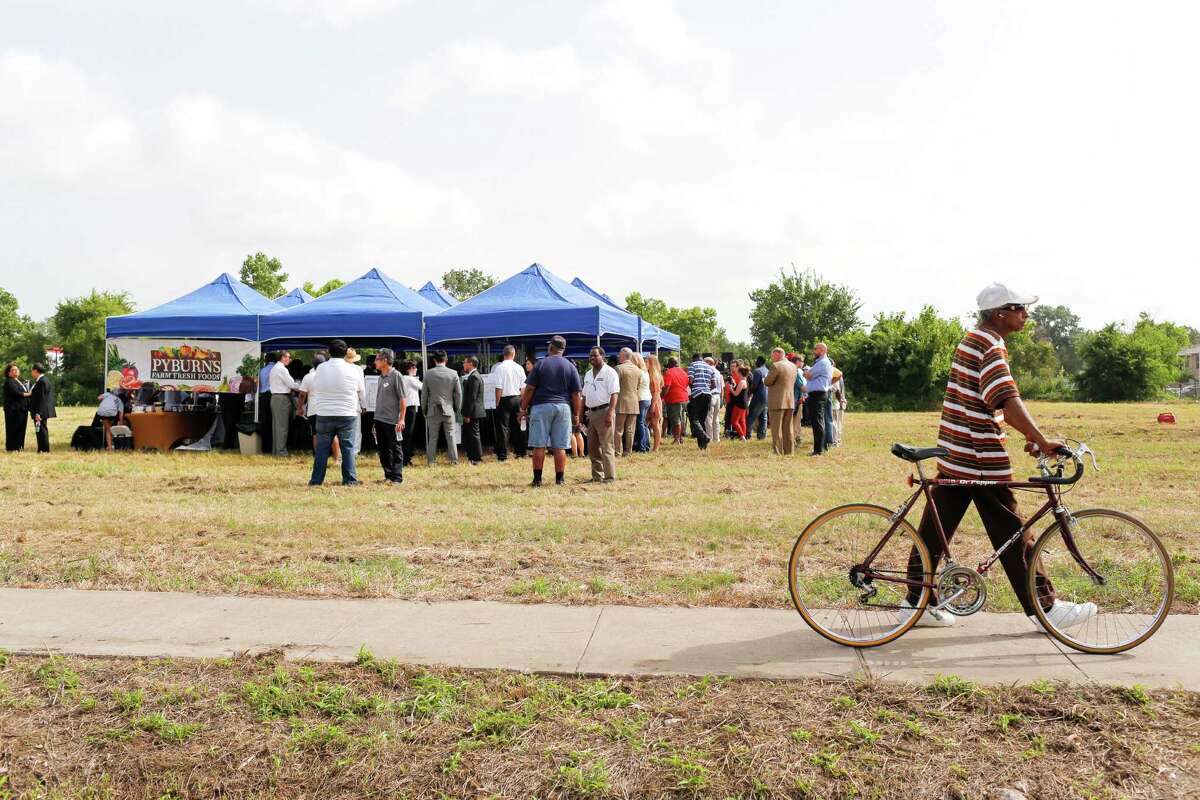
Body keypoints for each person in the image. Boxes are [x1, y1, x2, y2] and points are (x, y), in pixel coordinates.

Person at [904, 283, 1093, 632]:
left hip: (957, 448)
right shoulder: (989, 346)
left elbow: (988, 401)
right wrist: (1040, 438)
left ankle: (915, 603)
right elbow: (1006, 398)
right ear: (999, 313)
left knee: (935, 528)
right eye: (1019, 308)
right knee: (1013, 529)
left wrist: (1029, 436)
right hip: (979, 455)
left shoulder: (972, 339)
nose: (1026, 313)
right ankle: (1045, 609)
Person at [518, 335, 582, 487]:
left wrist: (523, 408)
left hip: (541, 406)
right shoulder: (570, 366)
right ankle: (560, 479)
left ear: (551, 347)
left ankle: (537, 480)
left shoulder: (540, 364)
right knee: (560, 446)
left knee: (539, 445)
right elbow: (576, 394)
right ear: (563, 349)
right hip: (563, 407)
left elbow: (530, 389)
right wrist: (576, 414)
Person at [308, 339, 367, 486]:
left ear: (329, 352)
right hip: (347, 412)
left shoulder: (321, 368)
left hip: (324, 413)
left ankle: (316, 480)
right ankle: (349, 479)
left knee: (322, 448)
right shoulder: (354, 369)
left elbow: (316, 386)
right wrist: (363, 406)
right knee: (347, 447)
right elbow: (361, 391)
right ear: (346, 352)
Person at [581, 346, 619, 482]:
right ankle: (597, 476)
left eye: (595, 355)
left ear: (603, 356)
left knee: (606, 445)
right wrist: (580, 415)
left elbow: (614, 394)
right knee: (592, 446)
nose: (592, 358)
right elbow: (584, 396)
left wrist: (610, 413)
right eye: (590, 356)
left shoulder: (610, 373)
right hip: (591, 413)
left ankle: (609, 476)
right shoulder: (588, 374)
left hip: (605, 411)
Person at [371, 349, 406, 484]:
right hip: (379, 418)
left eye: (377, 359)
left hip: (392, 420)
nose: (375, 362)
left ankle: (397, 477)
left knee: (395, 448)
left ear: (385, 360)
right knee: (383, 449)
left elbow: (403, 399)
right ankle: (388, 475)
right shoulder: (380, 377)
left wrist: (401, 418)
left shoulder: (396, 375)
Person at [422, 350, 462, 466]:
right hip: (449, 409)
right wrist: (457, 409)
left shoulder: (428, 374)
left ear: (434, 360)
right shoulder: (454, 373)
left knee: (433, 437)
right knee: (451, 435)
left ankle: (431, 461)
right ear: (446, 360)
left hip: (432, 410)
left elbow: (424, 395)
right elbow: (458, 394)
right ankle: (454, 461)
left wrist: (424, 410)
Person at [299, 352, 340, 463]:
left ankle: (319, 459)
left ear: (313, 364)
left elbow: (302, 394)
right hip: (329, 409)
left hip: (313, 410)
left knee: (315, 435)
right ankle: (337, 459)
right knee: (333, 435)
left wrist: (300, 407)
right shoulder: (332, 376)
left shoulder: (308, 377)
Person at [491, 345, 526, 461]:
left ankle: (502, 454)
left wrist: (497, 402)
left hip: (504, 399)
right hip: (517, 398)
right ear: (514, 354)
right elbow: (523, 388)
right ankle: (520, 452)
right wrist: (523, 403)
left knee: (503, 428)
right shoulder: (519, 368)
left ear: (503, 354)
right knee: (518, 426)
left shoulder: (499, 368)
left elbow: (498, 387)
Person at [763, 347, 797, 455]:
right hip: (790, 400)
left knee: (776, 429)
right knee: (788, 428)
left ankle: (777, 451)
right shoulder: (793, 366)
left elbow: (768, 381)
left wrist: (764, 378)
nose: (772, 358)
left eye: (772, 356)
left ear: (777, 354)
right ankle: (789, 451)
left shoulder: (776, 366)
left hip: (777, 401)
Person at [803, 343, 832, 456]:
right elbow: (809, 375)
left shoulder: (822, 362)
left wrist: (806, 373)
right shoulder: (821, 362)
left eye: (815, 349)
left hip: (817, 395)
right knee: (819, 422)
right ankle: (820, 448)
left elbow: (809, 375)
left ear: (822, 350)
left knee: (818, 422)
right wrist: (808, 374)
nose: (813, 351)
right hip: (818, 394)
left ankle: (818, 450)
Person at [268, 351, 299, 457]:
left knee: (276, 426)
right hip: (282, 398)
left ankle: (276, 451)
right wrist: (301, 385)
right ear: (283, 357)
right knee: (282, 427)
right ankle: (281, 452)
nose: (289, 360)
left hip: (275, 397)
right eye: (288, 357)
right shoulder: (282, 369)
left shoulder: (275, 368)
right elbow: (292, 385)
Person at [614, 348, 641, 457]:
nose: (618, 356)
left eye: (619, 354)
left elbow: (615, 387)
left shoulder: (618, 369)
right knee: (630, 429)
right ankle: (628, 451)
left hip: (621, 402)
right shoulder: (638, 370)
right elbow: (638, 386)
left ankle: (617, 451)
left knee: (618, 429)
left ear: (624, 355)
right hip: (634, 402)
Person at [685, 353, 715, 450]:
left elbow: (691, 381)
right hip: (708, 395)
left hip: (697, 394)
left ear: (693, 359)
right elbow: (713, 384)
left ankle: (704, 437)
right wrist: (706, 387)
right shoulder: (710, 367)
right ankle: (702, 446)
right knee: (701, 420)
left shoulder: (693, 365)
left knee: (693, 418)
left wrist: (693, 388)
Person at [461, 356, 485, 465]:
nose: (463, 365)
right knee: (471, 434)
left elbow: (472, 398)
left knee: (474, 434)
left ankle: (477, 458)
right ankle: (472, 456)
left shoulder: (474, 377)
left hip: (473, 412)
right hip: (473, 411)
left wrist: (467, 414)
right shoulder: (473, 376)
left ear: (470, 363)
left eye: (465, 362)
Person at [28, 363, 56, 453]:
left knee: (41, 430)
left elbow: (42, 399)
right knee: (39, 429)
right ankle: (41, 448)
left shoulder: (42, 381)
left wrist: (38, 413)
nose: (31, 373)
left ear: (35, 371)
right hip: (40, 411)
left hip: (40, 412)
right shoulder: (42, 380)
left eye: (32, 371)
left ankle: (44, 449)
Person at [661, 357, 689, 445]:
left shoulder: (669, 372)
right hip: (684, 398)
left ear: (670, 364)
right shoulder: (683, 372)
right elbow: (687, 384)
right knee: (681, 418)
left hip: (674, 398)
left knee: (676, 419)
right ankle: (680, 438)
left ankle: (677, 439)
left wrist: (661, 396)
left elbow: (667, 387)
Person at [399, 360, 422, 467]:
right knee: (408, 433)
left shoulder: (403, 378)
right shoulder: (410, 379)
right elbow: (423, 386)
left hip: (406, 407)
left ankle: (405, 457)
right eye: (414, 368)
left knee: (406, 434)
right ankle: (406, 458)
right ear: (408, 369)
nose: (416, 369)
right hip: (410, 408)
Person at [4, 363, 31, 451]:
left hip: (22, 409)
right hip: (14, 410)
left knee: (21, 429)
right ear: (9, 373)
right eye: (13, 370)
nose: (16, 371)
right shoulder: (9, 381)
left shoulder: (18, 381)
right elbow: (16, 393)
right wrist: (29, 393)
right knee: (13, 429)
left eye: (17, 369)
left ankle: (19, 447)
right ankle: (12, 448)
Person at [632, 352, 652, 453]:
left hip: (641, 399)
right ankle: (646, 445)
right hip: (647, 398)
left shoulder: (639, 372)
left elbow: (636, 387)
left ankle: (642, 447)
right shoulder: (645, 372)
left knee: (640, 423)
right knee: (643, 424)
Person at [746, 356, 768, 440]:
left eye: (756, 361)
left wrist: (748, 394)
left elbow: (754, 385)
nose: (755, 362)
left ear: (759, 361)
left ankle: (747, 434)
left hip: (758, 396)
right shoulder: (768, 371)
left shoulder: (757, 371)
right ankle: (762, 436)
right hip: (766, 397)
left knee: (751, 416)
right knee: (763, 417)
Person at [96, 386, 124, 451]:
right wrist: (121, 424)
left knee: (108, 429)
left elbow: (99, 398)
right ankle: (112, 445)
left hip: (101, 412)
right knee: (109, 429)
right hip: (112, 414)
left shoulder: (107, 394)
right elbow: (121, 414)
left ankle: (110, 448)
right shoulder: (119, 401)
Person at [645, 354, 664, 452]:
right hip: (652, 400)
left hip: (654, 401)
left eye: (647, 361)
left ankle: (656, 447)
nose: (645, 362)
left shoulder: (654, 375)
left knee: (655, 424)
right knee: (652, 424)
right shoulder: (651, 374)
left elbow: (656, 392)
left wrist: (652, 406)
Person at [704, 357, 723, 445]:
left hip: (710, 396)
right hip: (717, 396)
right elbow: (722, 388)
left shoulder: (707, 371)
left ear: (708, 362)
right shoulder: (718, 373)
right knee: (716, 418)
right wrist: (721, 399)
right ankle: (717, 438)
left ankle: (709, 438)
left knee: (708, 418)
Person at [791, 354, 807, 450]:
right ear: (797, 362)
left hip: (792, 399)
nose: (803, 363)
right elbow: (802, 387)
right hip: (797, 399)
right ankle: (795, 440)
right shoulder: (796, 372)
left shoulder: (791, 370)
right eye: (802, 361)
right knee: (796, 422)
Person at [729, 365, 750, 440]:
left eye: (738, 372)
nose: (736, 373)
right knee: (742, 421)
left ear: (740, 373)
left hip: (739, 404)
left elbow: (735, 394)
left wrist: (730, 388)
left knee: (734, 421)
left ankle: (742, 436)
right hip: (744, 404)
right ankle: (743, 435)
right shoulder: (745, 381)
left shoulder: (741, 382)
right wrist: (734, 384)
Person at [830, 364, 847, 447]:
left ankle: (835, 441)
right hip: (839, 402)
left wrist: (840, 401)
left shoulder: (834, 374)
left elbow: (837, 391)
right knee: (839, 422)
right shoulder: (839, 374)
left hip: (835, 403)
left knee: (834, 423)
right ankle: (838, 440)